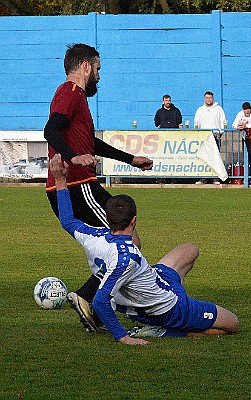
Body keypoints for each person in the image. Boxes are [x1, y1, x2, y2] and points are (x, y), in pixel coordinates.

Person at [49, 154, 239, 345]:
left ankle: (177, 299)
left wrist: (60, 179)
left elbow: (67, 220)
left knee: (190, 250)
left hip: (157, 280)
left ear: (107, 219)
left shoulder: (93, 236)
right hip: (167, 309)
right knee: (232, 324)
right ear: (134, 220)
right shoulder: (125, 258)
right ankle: (164, 330)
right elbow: (100, 301)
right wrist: (123, 337)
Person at [43, 43, 153, 333]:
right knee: (129, 242)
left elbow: (90, 143)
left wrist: (131, 159)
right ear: (86, 67)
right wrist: (72, 156)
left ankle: (97, 304)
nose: (99, 78)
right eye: (98, 70)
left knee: (119, 247)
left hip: (78, 185)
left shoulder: (76, 97)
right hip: (79, 186)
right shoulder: (69, 92)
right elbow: (50, 129)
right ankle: (90, 298)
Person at [194, 91, 227, 184]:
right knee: (203, 158)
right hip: (203, 138)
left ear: (213, 98)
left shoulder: (219, 109)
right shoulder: (200, 110)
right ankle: (203, 178)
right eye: (207, 98)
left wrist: (219, 133)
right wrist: (199, 134)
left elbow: (223, 122)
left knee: (215, 158)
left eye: (210, 98)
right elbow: (197, 123)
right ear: (204, 99)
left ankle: (215, 178)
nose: (209, 99)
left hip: (215, 137)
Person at [232, 102, 251, 178]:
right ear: (243, 110)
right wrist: (238, 126)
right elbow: (234, 124)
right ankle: (247, 175)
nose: (247, 111)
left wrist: (246, 126)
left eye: (248, 109)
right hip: (245, 138)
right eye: (245, 109)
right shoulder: (240, 114)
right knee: (247, 157)